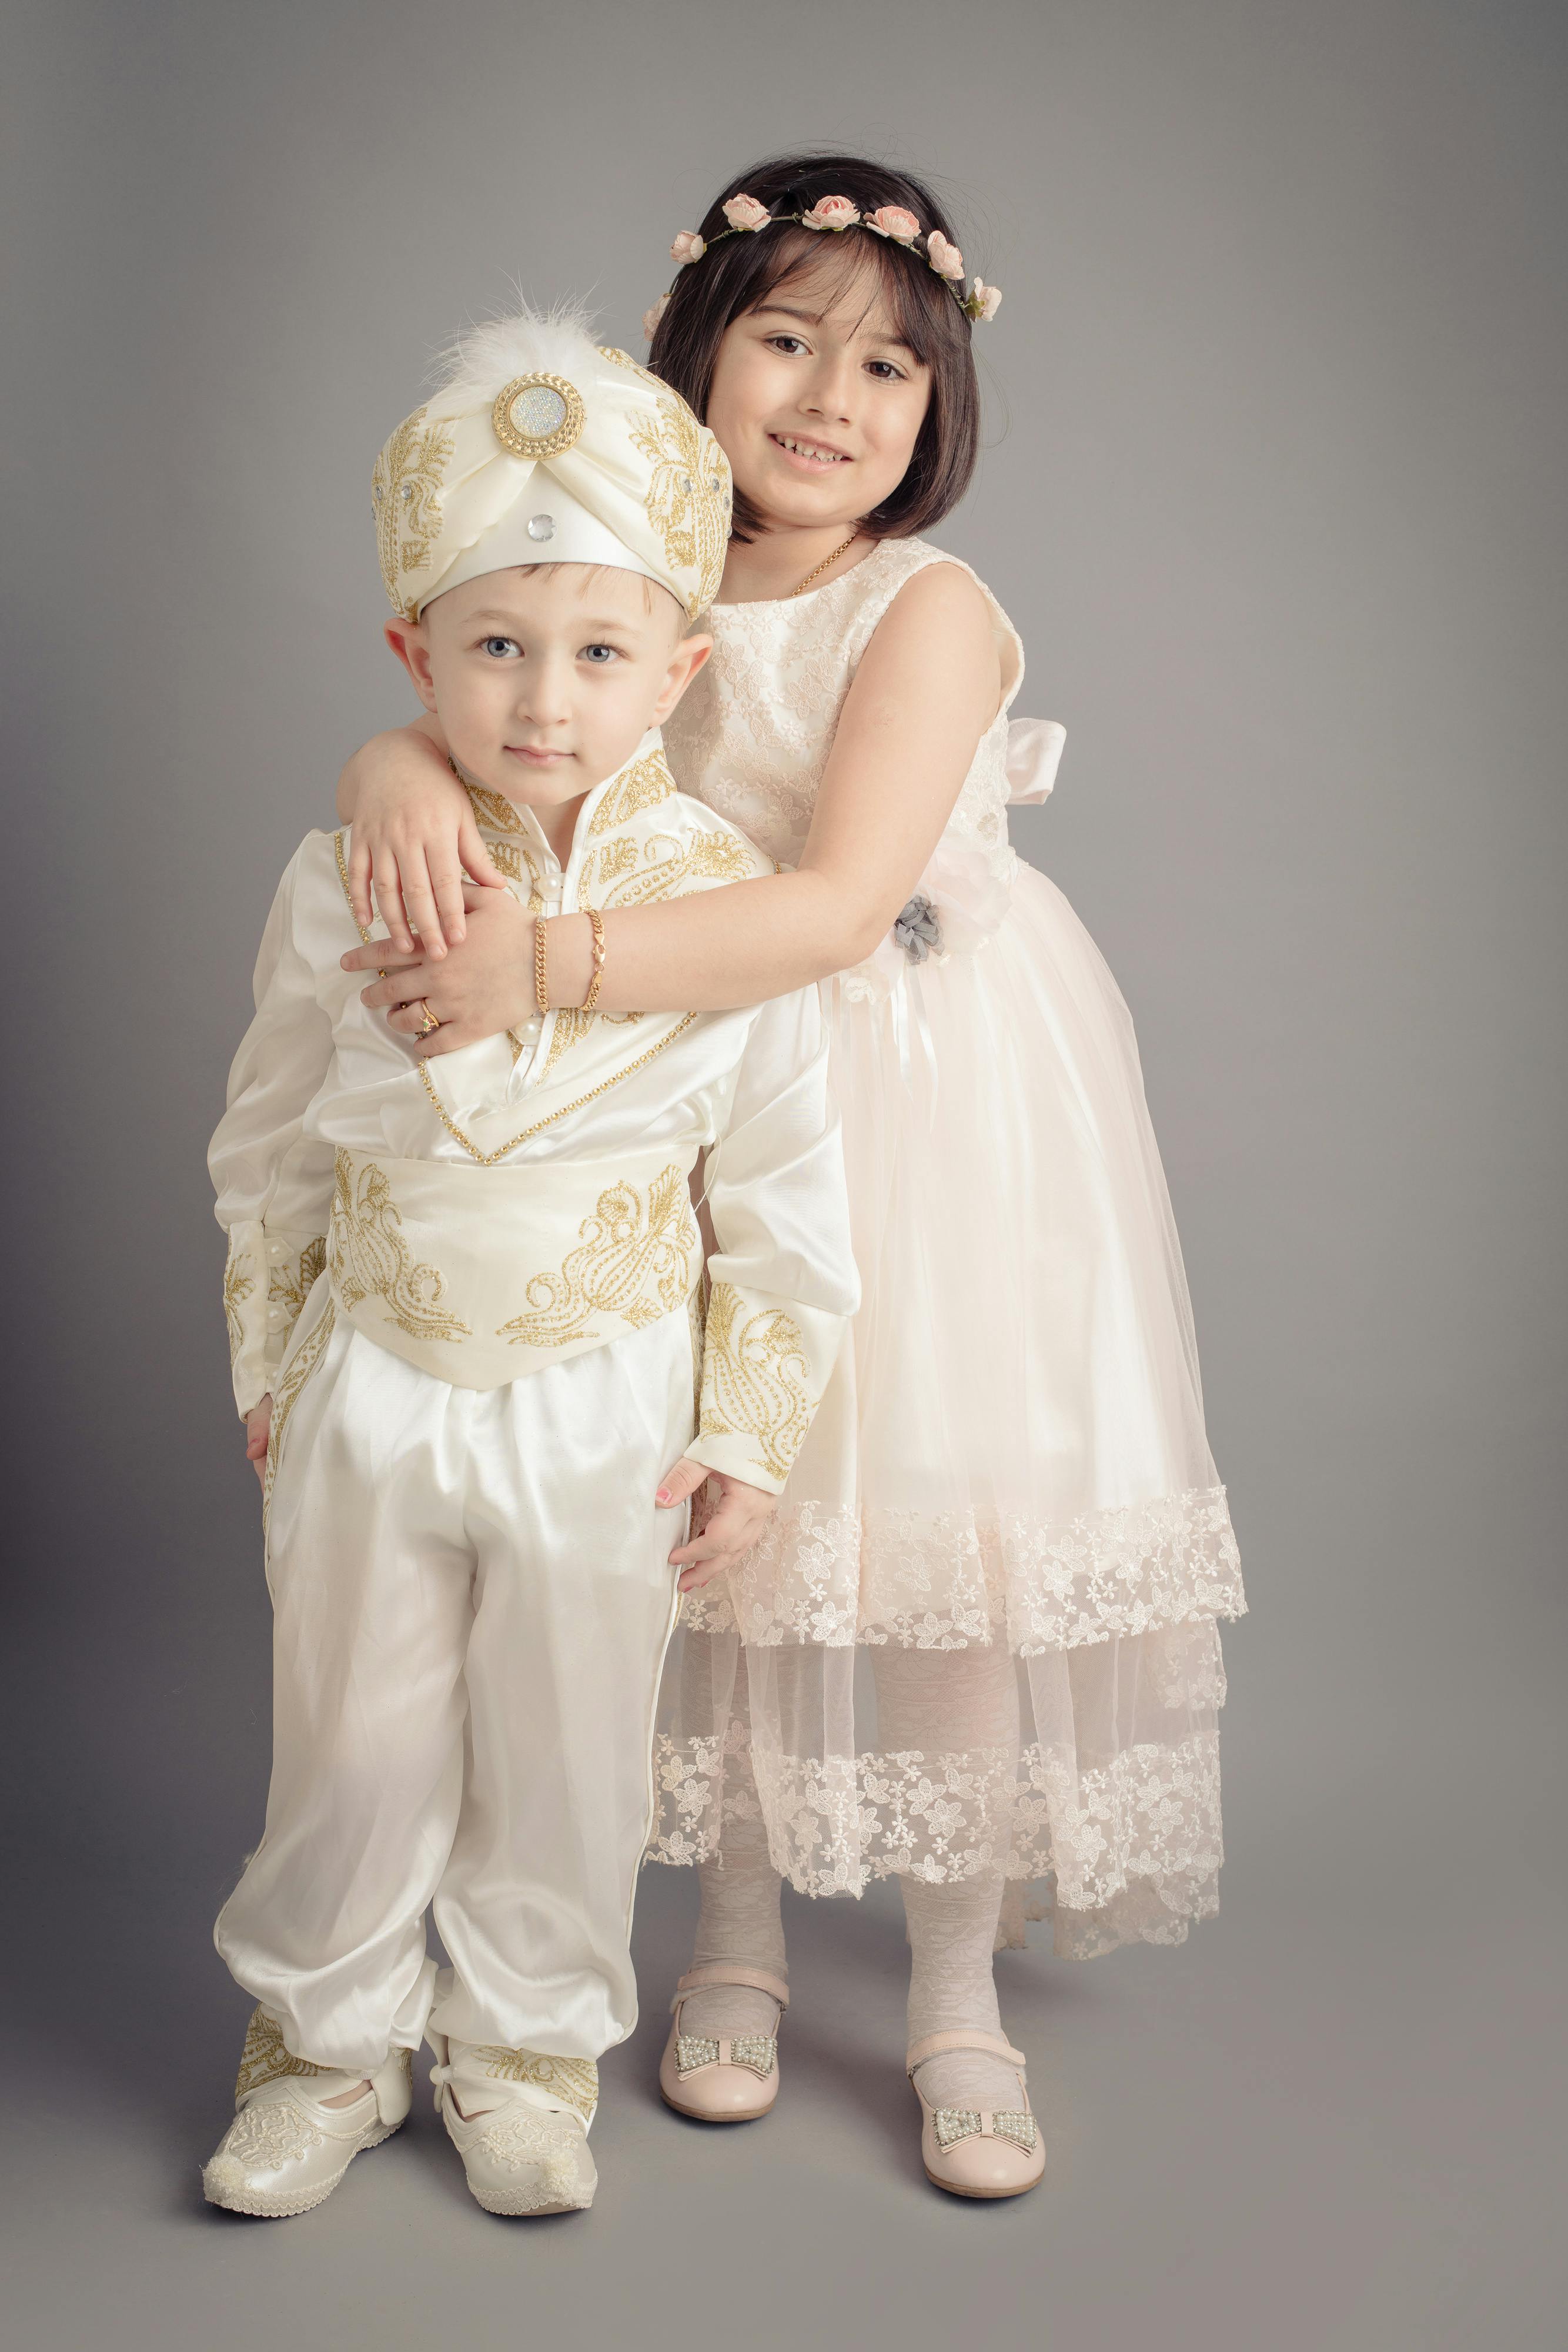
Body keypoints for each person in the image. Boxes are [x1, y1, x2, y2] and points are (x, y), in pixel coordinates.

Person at [334, 153, 1246, 2201]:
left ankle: (948, 1994)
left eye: (891, 370)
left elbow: (835, 907)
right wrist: (392, 768)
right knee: (711, 1511)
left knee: (917, 1512)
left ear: (940, 416)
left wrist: (534, 965)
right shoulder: (632, 583)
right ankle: (730, 1946)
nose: (833, 399)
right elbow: (485, 688)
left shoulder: (923, 606)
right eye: (784, 340)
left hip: (912, 1092)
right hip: (688, 1086)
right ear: (696, 347)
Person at [203, 306, 857, 2220]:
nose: (543, 700)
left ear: (679, 666)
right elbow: (266, 1142)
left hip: (608, 1397)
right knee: (352, 1730)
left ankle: (522, 2050)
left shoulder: (725, 914)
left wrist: (745, 1429)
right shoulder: (345, 873)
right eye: (494, 647)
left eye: (593, 652)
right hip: (376, 1375)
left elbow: (786, 1205)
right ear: (416, 656)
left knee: (568, 1737)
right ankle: (321, 2048)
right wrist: (270, 1360)